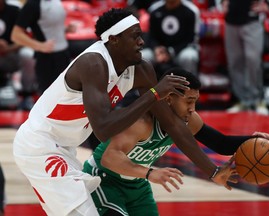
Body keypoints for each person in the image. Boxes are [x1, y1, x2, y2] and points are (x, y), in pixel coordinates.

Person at [12, 8, 235, 216]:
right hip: (39, 145)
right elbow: (103, 130)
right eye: (135, 36)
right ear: (114, 39)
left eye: (141, 35)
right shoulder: (93, 64)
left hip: (65, 150)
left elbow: (174, 125)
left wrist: (213, 172)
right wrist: (153, 94)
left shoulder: (141, 69)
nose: (141, 41)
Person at [82, 67, 269, 216]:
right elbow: (109, 158)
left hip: (136, 185)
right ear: (169, 98)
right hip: (104, 179)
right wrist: (150, 173)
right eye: (189, 101)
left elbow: (221, 143)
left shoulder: (187, 120)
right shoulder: (141, 121)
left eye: (195, 101)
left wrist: (256, 139)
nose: (192, 108)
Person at [11, 0, 75, 94]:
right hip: (47, 59)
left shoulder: (56, 1)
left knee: (65, 93)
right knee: (49, 95)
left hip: (64, 53)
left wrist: (65, 29)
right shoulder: (33, 4)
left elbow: (50, 26)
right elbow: (15, 35)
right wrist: (39, 46)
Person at [223, 0, 269, 115]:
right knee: (234, 62)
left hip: (252, 20)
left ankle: (258, 100)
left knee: (253, 59)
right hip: (231, 21)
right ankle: (243, 100)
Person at [141, 0, 201, 75]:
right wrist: (156, 49)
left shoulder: (192, 11)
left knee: (189, 57)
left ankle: (190, 85)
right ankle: (144, 86)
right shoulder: (154, 9)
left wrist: (171, 51)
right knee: (143, 57)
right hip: (159, 51)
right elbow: (150, 36)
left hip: (180, 50)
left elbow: (192, 40)